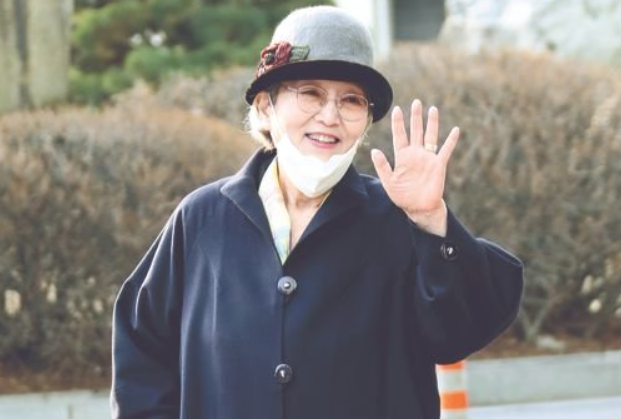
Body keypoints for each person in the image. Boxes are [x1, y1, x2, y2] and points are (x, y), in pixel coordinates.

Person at [111, 6, 523, 419]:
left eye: (351, 100)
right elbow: (142, 350)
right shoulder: (203, 219)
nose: (330, 116)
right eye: (310, 93)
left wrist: (432, 219)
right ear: (266, 107)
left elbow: (459, 332)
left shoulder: (397, 219)